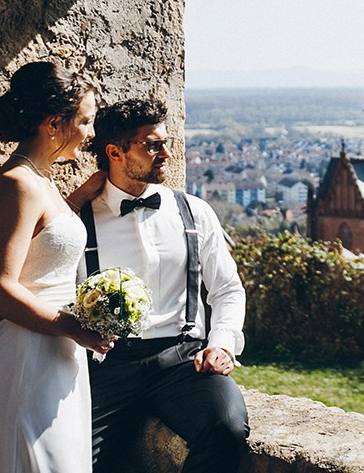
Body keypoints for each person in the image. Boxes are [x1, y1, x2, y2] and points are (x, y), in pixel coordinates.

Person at [0, 61, 115, 473]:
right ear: (53, 123)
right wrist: (74, 327)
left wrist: (76, 201)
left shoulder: (39, 179)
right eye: (85, 121)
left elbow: (43, 244)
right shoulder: (18, 184)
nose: (92, 132)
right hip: (25, 366)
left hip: (55, 363)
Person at [83, 99, 249, 473]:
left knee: (227, 429)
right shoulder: (79, 222)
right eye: (153, 145)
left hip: (183, 362)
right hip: (105, 368)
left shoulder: (195, 211)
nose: (168, 153)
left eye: (167, 142)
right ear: (115, 152)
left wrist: (221, 342)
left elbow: (227, 289)